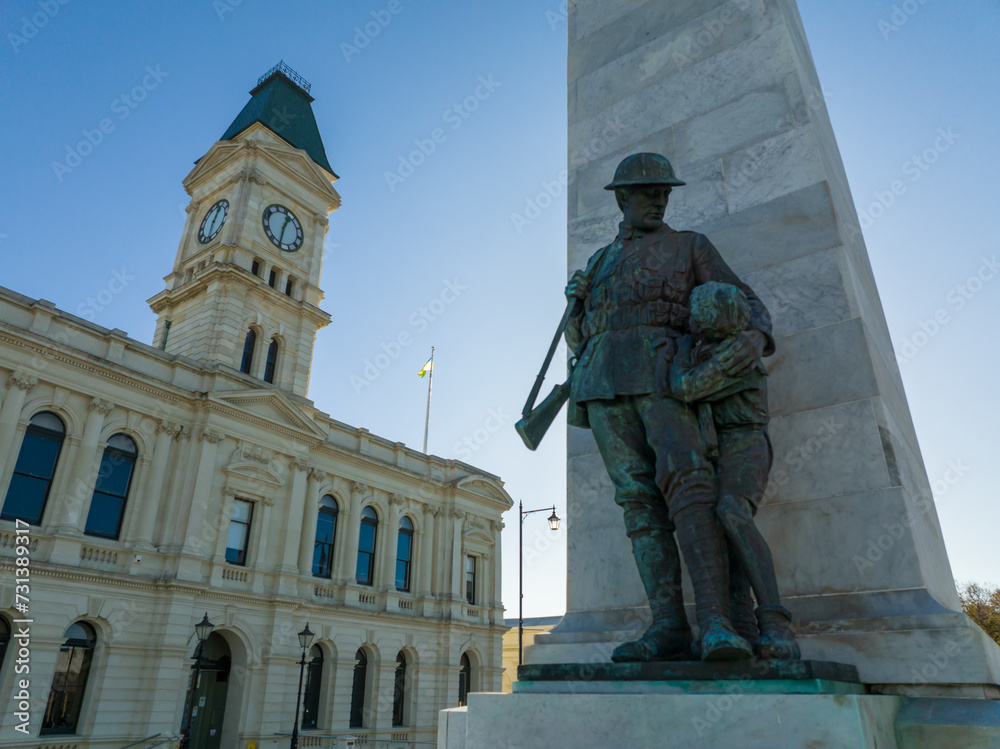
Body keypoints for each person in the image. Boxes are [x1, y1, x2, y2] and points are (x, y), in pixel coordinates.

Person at [565, 153, 774, 662]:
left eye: (665, 192)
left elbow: (748, 303)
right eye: (648, 192)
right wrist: (575, 307)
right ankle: (667, 626)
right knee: (638, 505)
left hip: (666, 376)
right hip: (601, 383)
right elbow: (579, 338)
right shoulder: (597, 260)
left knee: (691, 491)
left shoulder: (690, 246)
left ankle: (718, 622)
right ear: (623, 199)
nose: (659, 199)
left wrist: (755, 336)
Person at [670, 281, 799, 659]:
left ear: (716, 317)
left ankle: (775, 620)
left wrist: (695, 368)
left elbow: (686, 387)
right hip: (714, 447)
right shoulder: (699, 350)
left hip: (746, 443)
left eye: (698, 312)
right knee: (717, 525)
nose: (691, 318)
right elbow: (683, 383)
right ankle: (740, 621)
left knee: (731, 511)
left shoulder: (742, 356)